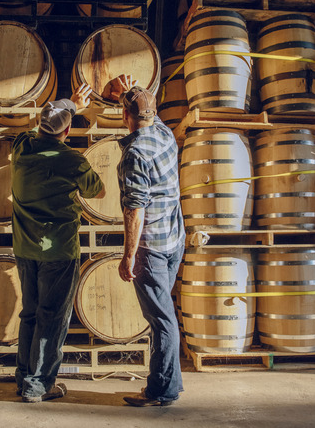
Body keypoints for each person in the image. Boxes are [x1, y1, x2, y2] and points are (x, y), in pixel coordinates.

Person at [11, 83, 105, 403]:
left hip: (25, 247)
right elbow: (97, 191)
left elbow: (34, 129)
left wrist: (68, 106)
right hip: (58, 250)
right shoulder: (72, 160)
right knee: (51, 318)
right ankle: (38, 386)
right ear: (67, 131)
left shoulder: (22, 147)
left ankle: (24, 377)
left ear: (40, 125)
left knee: (30, 313)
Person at [103, 75, 186, 407]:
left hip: (150, 248)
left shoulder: (134, 153)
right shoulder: (164, 134)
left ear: (125, 118)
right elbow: (144, 112)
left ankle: (161, 392)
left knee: (162, 320)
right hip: (174, 240)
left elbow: (135, 210)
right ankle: (169, 385)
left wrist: (128, 256)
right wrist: (127, 92)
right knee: (163, 314)